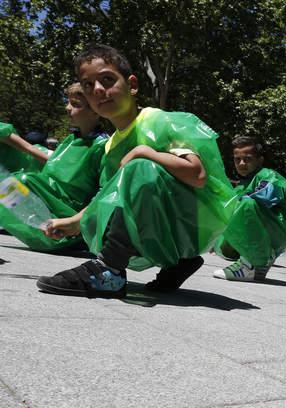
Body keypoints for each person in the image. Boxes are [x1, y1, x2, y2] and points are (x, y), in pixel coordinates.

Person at [36, 44, 235, 297]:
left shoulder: (159, 121)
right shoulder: (111, 145)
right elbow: (110, 195)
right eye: (88, 85)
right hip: (170, 224)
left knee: (140, 167)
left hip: (197, 219)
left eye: (107, 79)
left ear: (131, 85)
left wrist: (145, 152)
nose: (98, 90)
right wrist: (72, 223)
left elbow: (197, 175)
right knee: (126, 184)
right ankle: (179, 261)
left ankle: (109, 270)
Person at [0, 83, 107, 251]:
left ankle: (68, 236)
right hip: (49, 200)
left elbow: (104, 192)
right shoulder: (71, 139)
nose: (67, 108)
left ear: (96, 110)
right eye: (68, 102)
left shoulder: (102, 146)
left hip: (68, 213)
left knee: (20, 181)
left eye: (75, 104)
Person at [213, 136, 286, 282]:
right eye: (237, 159)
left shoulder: (269, 175)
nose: (241, 163)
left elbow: (264, 195)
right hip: (266, 232)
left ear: (260, 160)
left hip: (279, 232)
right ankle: (257, 261)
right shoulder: (242, 184)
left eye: (247, 159)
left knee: (246, 204)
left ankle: (249, 265)